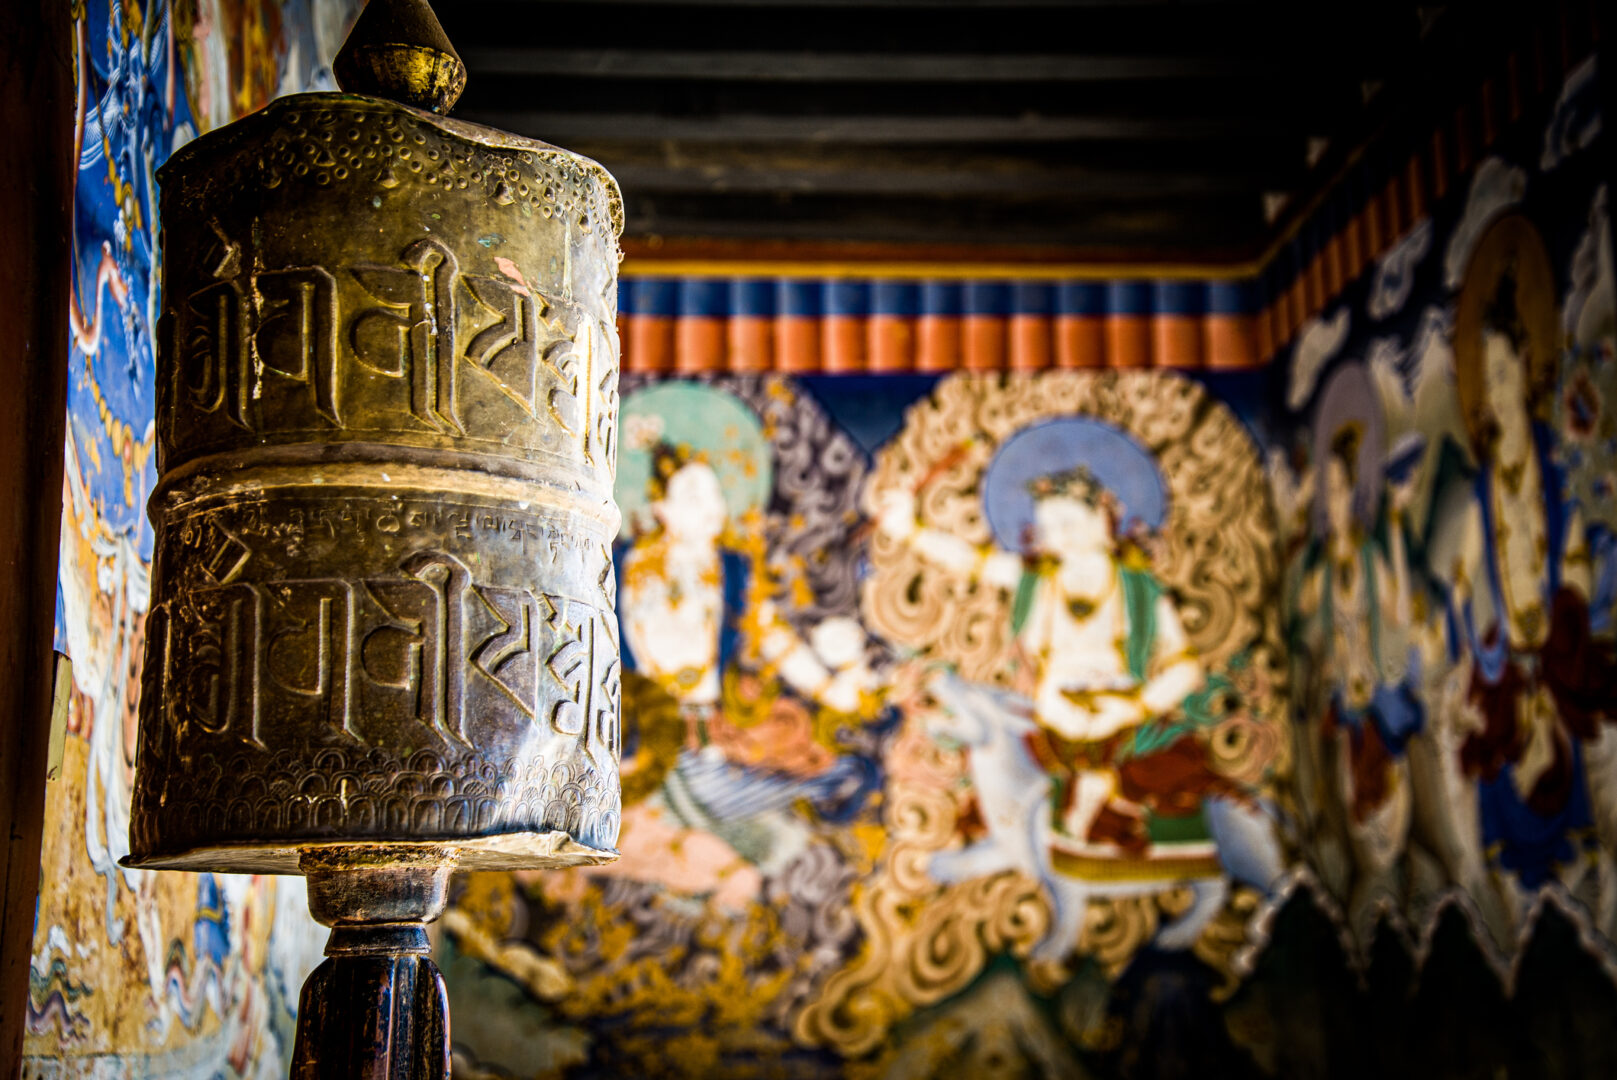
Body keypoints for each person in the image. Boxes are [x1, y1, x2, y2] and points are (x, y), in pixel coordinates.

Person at [878, 463, 1233, 854]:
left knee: (1180, 775)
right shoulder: (1036, 580)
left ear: (1103, 515)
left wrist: (1135, 707)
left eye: (1070, 522)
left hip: (1124, 722)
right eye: (1050, 527)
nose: (1061, 536)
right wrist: (910, 530)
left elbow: (1185, 667)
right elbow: (969, 561)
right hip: (1051, 722)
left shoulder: (1139, 587)